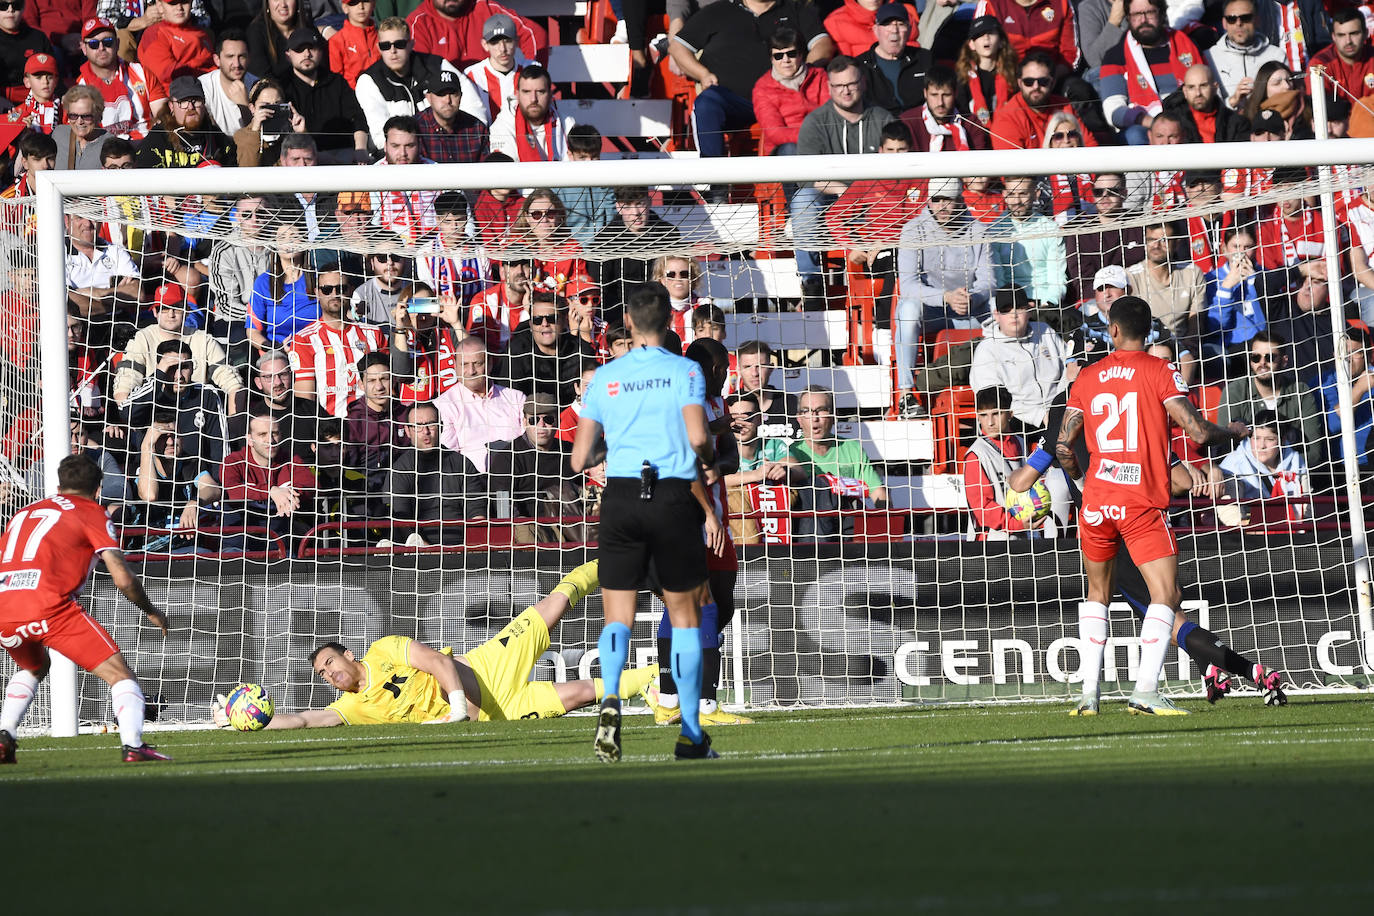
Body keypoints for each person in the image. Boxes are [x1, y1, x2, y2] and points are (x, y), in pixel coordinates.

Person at [1046, 296, 1260, 714]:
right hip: (1140, 502)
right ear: (1150, 332)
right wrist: (1232, 432)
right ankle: (1144, 690)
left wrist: (1083, 483)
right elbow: (1197, 433)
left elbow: (1063, 446)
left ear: (1113, 330)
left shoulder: (1087, 377)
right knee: (1166, 593)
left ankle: (1089, 695)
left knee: (1097, 594)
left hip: (1097, 503)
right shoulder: (1162, 370)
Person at [211, 561, 658, 728]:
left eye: (330, 661)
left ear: (349, 653)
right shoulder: (352, 709)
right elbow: (306, 720)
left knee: (552, 606)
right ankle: (663, 678)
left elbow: (437, 663)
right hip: (498, 711)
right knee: (583, 693)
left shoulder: (384, 649)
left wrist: (458, 707)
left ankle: (616, 559)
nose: (329, 673)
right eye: (323, 674)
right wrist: (240, 720)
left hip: (485, 668)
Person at [571, 283, 723, 761]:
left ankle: (611, 698)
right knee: (684, 616)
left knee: (617, 615)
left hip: (619, 498)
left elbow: (579, 458)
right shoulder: (685, 370)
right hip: (672, 496)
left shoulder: (606, 378)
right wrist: (705, 452)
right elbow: (699, 437)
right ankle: (691, 732)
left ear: (630, 324)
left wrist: (612, 446)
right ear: (672, 322)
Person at [0, 454, 172, 765]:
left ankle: (4, 736)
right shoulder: (93, 512)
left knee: (35, 667)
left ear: (58, 486)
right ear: (98, 489)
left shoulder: (24, 513)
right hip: (51, 607)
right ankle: (134, 745)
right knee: (120, 675)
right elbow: (122, 577)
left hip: (5, 608)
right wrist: (150, 609)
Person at [670, 0, 833, 160]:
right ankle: (714, 179)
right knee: (707, 102)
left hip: (784, 100)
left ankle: (804, 183)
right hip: (734, 100)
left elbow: (823, 44)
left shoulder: (796, 9)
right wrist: (702, 74)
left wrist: (803, 72)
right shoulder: (719, 10)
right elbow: (678, 47)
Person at [794, 57, 894, 301]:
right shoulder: (815, 122)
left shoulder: (883, 119)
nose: (846, 90)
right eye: (839, 86)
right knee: (802, 201)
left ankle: (892, 278)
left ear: (862, 83)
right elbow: (805, 178)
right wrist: (841, 189)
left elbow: (898, 172)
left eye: (851, 83)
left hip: (875, 201)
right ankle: (812, 284)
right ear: (829, 88)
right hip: (832, 200)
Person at [894, 177, 992, 416]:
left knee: (1001, 307)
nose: (942, 206)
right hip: (930, 312)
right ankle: (906, 393)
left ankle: (1001, 382)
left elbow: (989, 281)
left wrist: (973, 297)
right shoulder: (912, 230)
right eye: (936, 200)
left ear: (960, 200)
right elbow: (907, 285)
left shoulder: (978, 230)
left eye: (948, 199)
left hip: (967, 310)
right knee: (907, 309)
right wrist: (945, 296)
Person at [354, 16, 483, 149]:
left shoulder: (437, 66)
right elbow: (380, 137)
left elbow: (474, 107)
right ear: (379, 48)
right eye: (385, 46)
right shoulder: (369, 80)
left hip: (446, 145)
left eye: (400, 44)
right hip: (398, 154)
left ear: (411, 44)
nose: (393, 51)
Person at [286, 264, 387, 418]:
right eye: (327, 289)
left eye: (341, 289)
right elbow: (305, 401)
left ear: (351, 290)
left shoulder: (373, 333)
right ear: (317, 293)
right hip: (330, 429)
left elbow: (389, 384)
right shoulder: (304, 339)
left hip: (372, 426)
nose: (334, 294)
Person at [1099, 0, 1203, 146]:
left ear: (1161, 14)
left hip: (1188, 120)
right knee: (1133, 135)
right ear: (1128, 18)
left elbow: (1207, 89)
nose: (1143, 20)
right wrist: (1153, 122)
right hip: (1146, 127)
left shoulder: (1186, 44)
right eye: (1136, 14)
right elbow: (1113, 111)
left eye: (1149, 12)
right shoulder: (1115, 56)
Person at [1216, 331, 1326, 466]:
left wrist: (1278, 470)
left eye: (1270, 358)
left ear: (1284, 361)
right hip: (1247, 477)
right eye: (1256, 358)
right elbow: (1223, 447)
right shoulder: (1234, 392)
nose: (1262, 363)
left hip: (1292, 476)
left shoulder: (1301, 392)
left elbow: (1313, 452)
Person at [385, 400, 485, 547]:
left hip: (461, 547)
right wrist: (427, 549)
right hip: (417, 549)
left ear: (441, 427)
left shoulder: (462, 464)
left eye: (431, 424)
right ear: (407, 431)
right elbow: (401, 520)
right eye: (418, 426)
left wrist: (474, 546)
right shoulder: (399, 469)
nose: (425, 432)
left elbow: (476, 512)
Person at [968, 286, 1070, 430]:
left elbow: (1069, 368)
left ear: (1029, 311)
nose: (1013, 314)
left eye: (1019, 308)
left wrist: (1059, 406)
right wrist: (1040, 416)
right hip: (1017, 419)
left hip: (1060, 410)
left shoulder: (1045, 331)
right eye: (1006, 310)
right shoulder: (987, 349)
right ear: (996, 315)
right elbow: (993, 400)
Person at [433, 336, 526, 472]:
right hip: (471, 484)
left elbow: (529, 446)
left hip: (518, 477)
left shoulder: (516, 399)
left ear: (490, 364)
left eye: (477, 363)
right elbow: (449, 460)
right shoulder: (443, 405)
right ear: (454, 365)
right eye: (464, 364)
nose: (471, 371)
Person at [963, 385, 1040, 540]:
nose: (990, 422)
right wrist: (1016, 524)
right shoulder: (976, 454)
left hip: (1025, 534)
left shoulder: (1020, 443)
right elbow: (982, 508)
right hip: (992, 542)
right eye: (983, 415)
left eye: (996, 414)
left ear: (1010, 414)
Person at [76, 17, 163, 142]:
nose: (101, 48)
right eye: (93, 44)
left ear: (117, 44)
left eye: (108, 42)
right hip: (103, 151)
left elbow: (161, 115)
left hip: (144, 145)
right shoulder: (80, 87)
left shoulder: (141, 72)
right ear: (84, 48)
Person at [752, 25, 828, 158]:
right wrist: (811, 137)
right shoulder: (762, 88)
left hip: (823, 141)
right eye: (778, 56)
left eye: (791, 54)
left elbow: (830, 115)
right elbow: (775, 133)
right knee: (791, 150)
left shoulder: (820, 76)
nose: (785, 60)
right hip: (786, 148)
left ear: (801, 54)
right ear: (771, 58)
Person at [136, 75, 237, 168]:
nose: (190, 107)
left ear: (204, 103)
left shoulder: (217, 138)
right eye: (183, 102)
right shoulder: (158, 137)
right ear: (171, 106)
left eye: (196, 100)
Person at [1219, 408, 1309, 508]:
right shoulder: (1234, 463)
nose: (1262, 446)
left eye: (1269, 439)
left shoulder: (1295, 461)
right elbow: (1227, 509)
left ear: (1282, 440)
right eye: (1256, 438)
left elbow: (1307, 505)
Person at [855, 3, 930, 116]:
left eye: (900, 24)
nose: (894, 30)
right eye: (887, 24)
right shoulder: (860, 65)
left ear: (909, 30)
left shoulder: (924, 59)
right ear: (876, 30)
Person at [1206, 0, 1284, 105]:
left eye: (1245, 18)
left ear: (1257, 20)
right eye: (1232, 19)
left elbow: (1286, 99)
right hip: (1226, 120)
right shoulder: (1209, 57)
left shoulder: (1277, 56)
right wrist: (1232, 101)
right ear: (1224, 23)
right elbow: (1205, 107)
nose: (1239, 23)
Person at [487, 64, 565, 161]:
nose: (533, 99)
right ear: (517, 94)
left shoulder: (566, 124)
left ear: (550, 95)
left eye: (540, 91)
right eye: (527, 92)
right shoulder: (502, 126)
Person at [1307, 8, 1374, 103]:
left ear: (1366, 33)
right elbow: (1317, 105)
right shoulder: (1320, 64)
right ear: (1333, 36)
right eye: (1341, 35)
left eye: (1354, 34)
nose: (1348, 41)